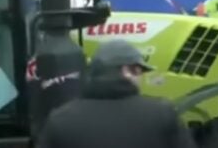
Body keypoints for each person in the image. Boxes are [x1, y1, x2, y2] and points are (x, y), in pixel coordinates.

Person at [37, 39, 196, 148]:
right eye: (138, 71)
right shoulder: (162, 114)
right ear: (127, 71)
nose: (140, 79)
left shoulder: (60, 120)